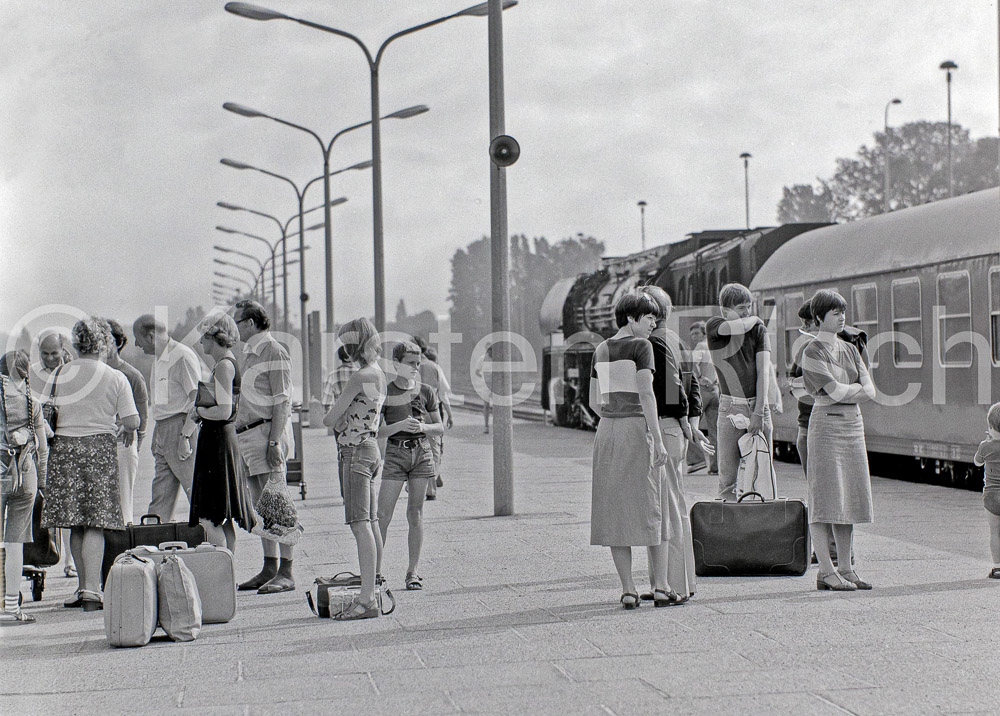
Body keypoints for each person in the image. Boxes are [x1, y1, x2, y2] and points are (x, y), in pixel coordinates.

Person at [41, 318, 139, 611]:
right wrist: (125, 427)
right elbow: (133, 420)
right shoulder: (115, 377)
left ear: (75, 343)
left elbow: (47, 412)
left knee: (76, 524)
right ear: (104, 343)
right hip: (99, 449)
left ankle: (82, 587)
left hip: (65, 450)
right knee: (96, 522)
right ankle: (94, 590)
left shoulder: (59, 374)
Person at [588, 291, 678, 609]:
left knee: (615, 511)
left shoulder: (600, 348)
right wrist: (656, 437)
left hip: (607, 431)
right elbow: (646, 394)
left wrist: (613, 417)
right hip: (636, 430)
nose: (654, 322)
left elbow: (592, 401)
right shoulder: (642, 347)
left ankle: (628, 589)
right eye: (649, 316)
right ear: (631, 318)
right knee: (655, 508)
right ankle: (663, 587)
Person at [637, 286, 713, 603]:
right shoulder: (677, 339)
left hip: (666, 427)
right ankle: (676, 581)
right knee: (674, 504)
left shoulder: (653, 341)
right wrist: (692, 423)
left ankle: (673, 585)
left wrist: (682, 417)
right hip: (676, 430)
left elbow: (671, 386)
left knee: (666, 508)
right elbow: (693, 384)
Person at [801, 289, 876, 592]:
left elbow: (871, 390)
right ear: (819, 317)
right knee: (825, 498)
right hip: (827, 425)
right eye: (834, 312)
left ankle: (846, 567)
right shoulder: (811, 351)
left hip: (851, 425)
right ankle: (826, 571)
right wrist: (855, 389)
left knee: (849, 498)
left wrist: (853, 390)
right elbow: (832, 393)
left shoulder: (850, 348)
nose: (842, 316)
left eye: (842, 311)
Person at [232, 300, 300, 594]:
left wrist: (274, 441)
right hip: (248, 435)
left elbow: (282, 400)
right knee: (262, 505)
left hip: (265, 434)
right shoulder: (249, 354)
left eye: (238, 321)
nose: (235, 327)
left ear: (250, 323)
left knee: (277, 501)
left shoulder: (274, 351)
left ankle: (286, 571)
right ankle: (269, 566)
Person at [323, 318, 387, 619]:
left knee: (359, 523)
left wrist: (338, 413)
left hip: (354, 452)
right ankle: (374, 584)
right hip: (372, 449)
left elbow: (329, 419)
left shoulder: (358, 376)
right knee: (371, 521)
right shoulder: (379, 373)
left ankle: (366, 600)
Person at [376, 341, 443, 591]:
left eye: (418, 363)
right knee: (383, 515)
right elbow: (377, 431)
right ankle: (376, 571)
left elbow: (440, 427)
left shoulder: (426, 391)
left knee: (415, 513)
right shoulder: (386, 392)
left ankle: (412, 571)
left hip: (421, 453)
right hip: (395, 452)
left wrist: (423, 427)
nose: (416, 367)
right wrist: (400, 425)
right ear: (396, 364)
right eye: (410, 363)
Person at [187, 314, 256, 552]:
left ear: (214, 338)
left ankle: (220, 571)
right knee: (221, 517)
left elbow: (224, 411)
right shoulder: (226, 363)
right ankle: (228, 574)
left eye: (204, 338)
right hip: (220, 440)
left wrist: (199, 411)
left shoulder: (224, 366)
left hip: (217, 441)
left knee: (209, 516)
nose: (201, 344)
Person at [705, 283, 772, 500]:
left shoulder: (758, 331)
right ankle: (730, 529)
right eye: (741, 307)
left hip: (757, 405)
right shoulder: (715, 325)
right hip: (730, 405)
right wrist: (756, 320)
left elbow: (764, 371)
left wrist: (759, 412)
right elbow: (738, 328)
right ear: (725, 311)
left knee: (763, 475)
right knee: (728, 478)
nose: (747, 312)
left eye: (749, 306)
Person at [133, 315, 201, 522]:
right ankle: (153, 542)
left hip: (182, 429)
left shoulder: (182, 356)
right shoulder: (160, 359)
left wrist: (185, 436)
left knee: (197, 494)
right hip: (163, 429)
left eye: (138, 339)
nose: (137, 344)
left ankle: (213, 548)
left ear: (151, 336)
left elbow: (197, 400)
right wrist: (159, 432)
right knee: (160, 496)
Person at [0, 351, 47, 624]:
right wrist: (42, 484)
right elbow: (43, 451)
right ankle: (11, 608)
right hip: (25, 477)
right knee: (15, 544)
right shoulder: (34, 403)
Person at [29, 332, 76, 579]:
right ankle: (41, 554)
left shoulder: (73, 372)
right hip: (41, 443)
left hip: (65, 439)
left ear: (63, 349)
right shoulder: (32, 373)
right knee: (41, 500)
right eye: (44, 354)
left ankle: (70, 560)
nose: (49, 358)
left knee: (67, 503)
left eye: (54, 353)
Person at [103, 319, 148, 525]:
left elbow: (142, 416)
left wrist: (135, 446)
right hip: (99, 442)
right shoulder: (95, 374)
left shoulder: (132, 375)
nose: (105, 345)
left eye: (109, 339)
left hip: (123, 444)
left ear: (119, 342)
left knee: (123, 503)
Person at [415, 341, 453, 500]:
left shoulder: (406, 366)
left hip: (412, 411)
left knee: (415, 448)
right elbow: (443, 393)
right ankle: (431, 486)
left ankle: (415, 484)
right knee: (434, 449)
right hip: (432, 412)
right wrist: (450, 414)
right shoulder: (434, 367)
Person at [321, 345, 355, 495]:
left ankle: (345, 494)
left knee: (342, 455)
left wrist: (334, 420)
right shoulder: (362, 374)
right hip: (360, 420)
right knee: (360, 455)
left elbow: (326, 402)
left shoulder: (333, 376)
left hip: (340, 423)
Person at [688, 321, 719, 474]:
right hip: (715, 390)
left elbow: (692, 362)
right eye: (692, 335)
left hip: (702, 391)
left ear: (704, 334)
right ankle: (716, 466)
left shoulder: (700, 346)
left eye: (696, 334)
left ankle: (697, 459)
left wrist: (700, 377)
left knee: (690, 424)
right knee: (715, 431)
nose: (694, 337)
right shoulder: (716, 346)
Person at [975, 403, 1000, 579]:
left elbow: (977, 462)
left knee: (994, 532)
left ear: (990, 427)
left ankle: (997, 567)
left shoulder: (985, 446)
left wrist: (987, 442)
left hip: (991, 497)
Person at [474, 348, 492, 434]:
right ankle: (486, 426)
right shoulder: (482, 359)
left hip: (496, 385)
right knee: (486, 405)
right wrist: (484, 377)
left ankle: (496, 425)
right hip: (485, 385)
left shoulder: (498, 359)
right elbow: (477, 372)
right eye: (489, 352)